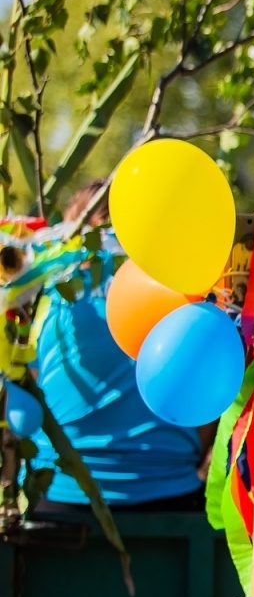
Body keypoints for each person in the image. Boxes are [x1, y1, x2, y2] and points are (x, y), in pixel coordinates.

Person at [27, 181, 208, 515]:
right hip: (170, 493)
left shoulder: (46, 290)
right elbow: (210, 398)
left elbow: (23, 392)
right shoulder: (184, 287)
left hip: (56, 494)